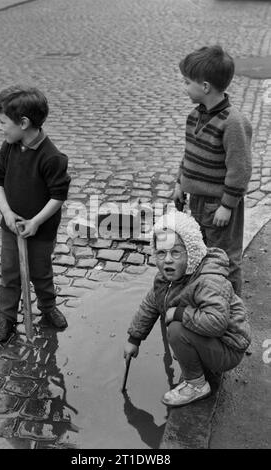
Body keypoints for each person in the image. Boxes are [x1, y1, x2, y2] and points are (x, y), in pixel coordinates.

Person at [124, 211, 251, 407]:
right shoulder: (167, 279)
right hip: (214, 340)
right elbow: (151, 304)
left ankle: (197, 385)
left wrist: (179, 313)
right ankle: (194, 355)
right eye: (161, 253)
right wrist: (134, 338)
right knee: (178, 329)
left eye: (175, 252)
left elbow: (216, 323)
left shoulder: (209, 280)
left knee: (176, 329)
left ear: (191, 252)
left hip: (229, 347)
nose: (167, 260)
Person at [0, 85, 71, 343]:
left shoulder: (52, 157)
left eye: (3, 122)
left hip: (41, 229)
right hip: (11, 226)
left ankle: (47, 308)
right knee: (10, 273)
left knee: (41, 272)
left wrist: (36, 222)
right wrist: (7, 212)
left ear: (23, 123)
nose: (0, 128)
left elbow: (58, 195)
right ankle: (7, 317)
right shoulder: (9, 147)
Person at [173, 45, 252, 296]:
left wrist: (228, 205)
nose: (184, 88)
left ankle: (231, 310)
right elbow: (189, 154)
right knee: (200, 252)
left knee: (225, 259)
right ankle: (208, 301)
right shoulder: (194, 116)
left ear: (205, 87)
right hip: (197, 202)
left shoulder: (233, 123)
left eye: (187, 83)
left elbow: (240, 168)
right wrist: (180, 183)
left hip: (219, 206)